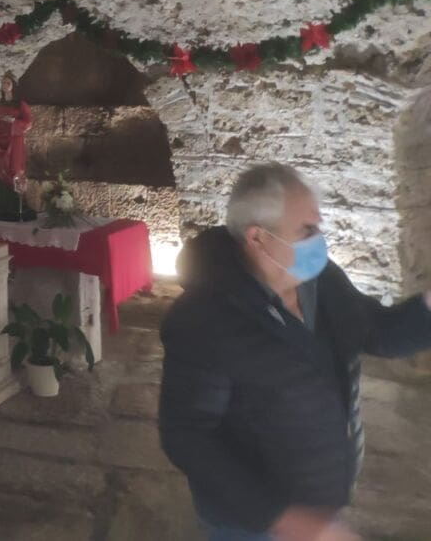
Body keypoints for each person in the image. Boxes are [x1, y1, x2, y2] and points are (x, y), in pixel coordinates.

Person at [159, 163, 431, 541]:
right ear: (258, 238)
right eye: (307, 231)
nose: (319, 241)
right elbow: (188, 437)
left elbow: (377, 332)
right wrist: (284, 519)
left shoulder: (319, 280)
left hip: (318, 506)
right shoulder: (203, 319)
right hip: (254, 525)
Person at [0, 71, 33, 219]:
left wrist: (14, 122)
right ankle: (3, 205)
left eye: (8, 83)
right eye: (3, 83)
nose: (5, 85)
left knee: (14, 168)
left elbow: (28, 123)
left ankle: (17, 204)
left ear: (13, 86)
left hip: (14, 140)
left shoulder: (20, 104)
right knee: (0, 169)